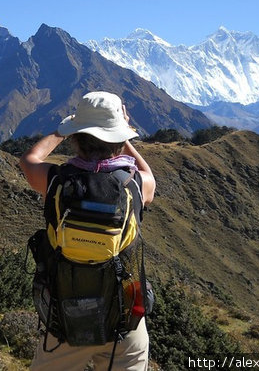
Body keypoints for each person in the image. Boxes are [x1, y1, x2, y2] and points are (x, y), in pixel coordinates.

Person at [19, 91, 156, 371]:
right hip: (124, 320)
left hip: (66, 320)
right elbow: (149, 174)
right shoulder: (136, 185)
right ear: (118, 136)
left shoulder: (56, 181)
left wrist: (63, 129)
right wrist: (124, 137)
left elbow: (29, 159)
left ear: (76, 138)